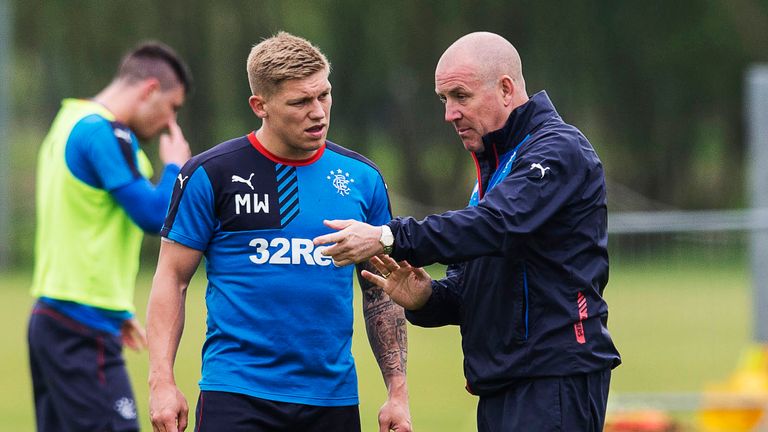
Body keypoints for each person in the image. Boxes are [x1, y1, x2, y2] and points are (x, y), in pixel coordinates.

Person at [314, 31, 622, 431]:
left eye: (461, 96)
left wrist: (388, 236)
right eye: (444, 100)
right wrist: (426, 298)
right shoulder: (492, 172)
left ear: (506, 90)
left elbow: (497, 224)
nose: (450, 114)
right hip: (501, 380)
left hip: (554, 375)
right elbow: (470, 285)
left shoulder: (557, 149)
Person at [146, 31, 411, 432]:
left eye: (323, 95)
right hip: (237, 394)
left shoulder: (362, 178)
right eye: (300, 102)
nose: (318, 112)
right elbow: (171, 278)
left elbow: (380, 289)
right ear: (260, 105)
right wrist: (161, 381)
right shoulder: (211, 174)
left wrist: (397, 392)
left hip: (331, 398)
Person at [28, 41, 193, 432]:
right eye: (172, 109)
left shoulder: (67, 120)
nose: (170, 124)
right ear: (150, 90)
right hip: (80, 327)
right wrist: (175, 168)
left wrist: (115, 309)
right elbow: (154, 216)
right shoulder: (101, 133)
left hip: (55, 317)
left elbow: (83, 225)